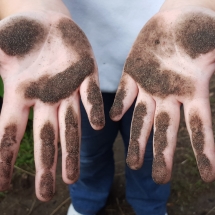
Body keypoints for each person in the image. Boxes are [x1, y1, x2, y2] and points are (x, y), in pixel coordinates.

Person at [0, 0, 215, 215]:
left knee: (152, 153)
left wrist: (197, 5)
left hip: (160, 73)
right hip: (72, 71)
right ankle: (86, 201)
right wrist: (30, 7)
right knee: (85, 153)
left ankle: (150, 205)